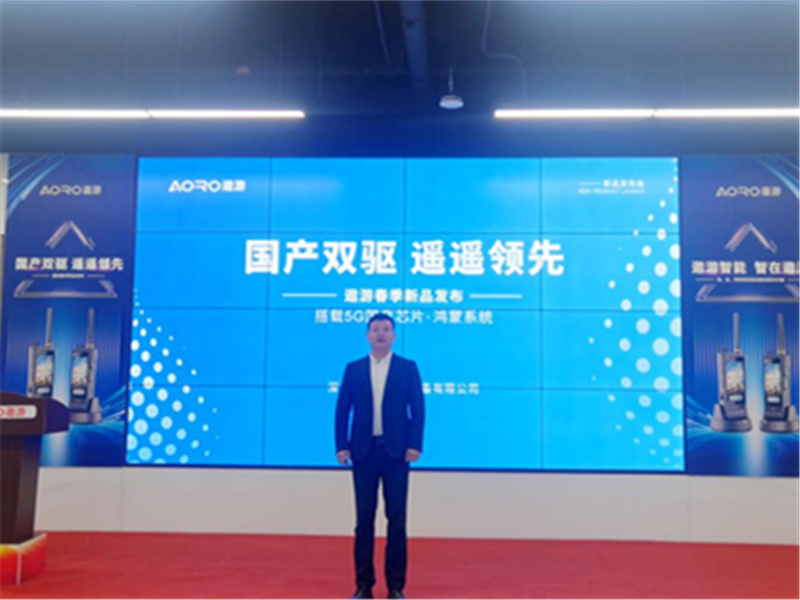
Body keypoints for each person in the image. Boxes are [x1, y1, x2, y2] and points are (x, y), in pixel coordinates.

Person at [335, 314, 425, 600]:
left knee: (396, 520)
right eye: (375, 329)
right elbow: (342, 409)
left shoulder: (407, 368)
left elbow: (418, 409)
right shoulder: (354, 369)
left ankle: (396, 586)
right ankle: (363, 585)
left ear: (394, 336)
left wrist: (415, 444)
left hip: (397, 453)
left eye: (386, 329)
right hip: (363, 453)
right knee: (364, 520)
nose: (381, 334)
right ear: (367, 335)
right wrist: (342, 445)